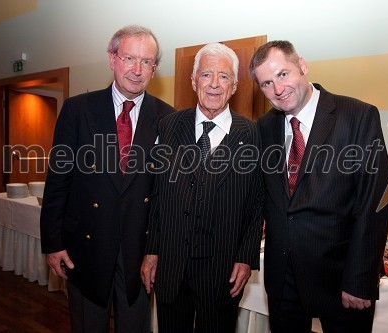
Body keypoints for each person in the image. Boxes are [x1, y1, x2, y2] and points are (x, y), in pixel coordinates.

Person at [40, 24, 175, 333]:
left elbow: (164, 196)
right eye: (129, 58)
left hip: (139, 256)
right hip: (85, 249)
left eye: (146, 62)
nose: (137, 70)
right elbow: (58, 180)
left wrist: (155, 249)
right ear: (112, 58)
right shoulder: (78, 110)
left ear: (154, 69)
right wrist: (53, 241)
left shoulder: (168, 119)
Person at [249, 40, 388, 333]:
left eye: (283, 74)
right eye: (266, 83)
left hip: (341, 279)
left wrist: (360, 280)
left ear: (302, 65)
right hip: (282, 280)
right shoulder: (264, 126)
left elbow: (374, 203)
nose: (277, 89)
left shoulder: (358, 116)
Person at [140, 42, 264, 333]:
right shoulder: (168, 126)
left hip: (221, 271)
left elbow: (256, 204)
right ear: (193, 81)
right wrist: (152, 250)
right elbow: (158, 196)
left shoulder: (253, 135)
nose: (214, 84)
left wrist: (245, 258)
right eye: (206, 75)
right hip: (171, 267)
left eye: (223, 77)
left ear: (234, 86)